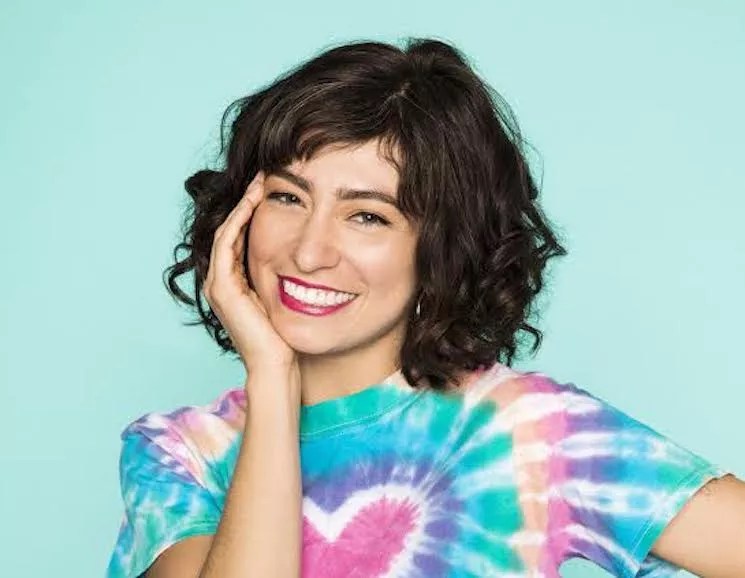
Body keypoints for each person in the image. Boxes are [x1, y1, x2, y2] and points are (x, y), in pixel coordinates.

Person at [105, 38, 744, 578]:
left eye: (367, 216)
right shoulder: (180, 452)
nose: (308, 252)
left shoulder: (526, 432)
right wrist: (271, 378)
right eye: (288, 198)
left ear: (440, 249)